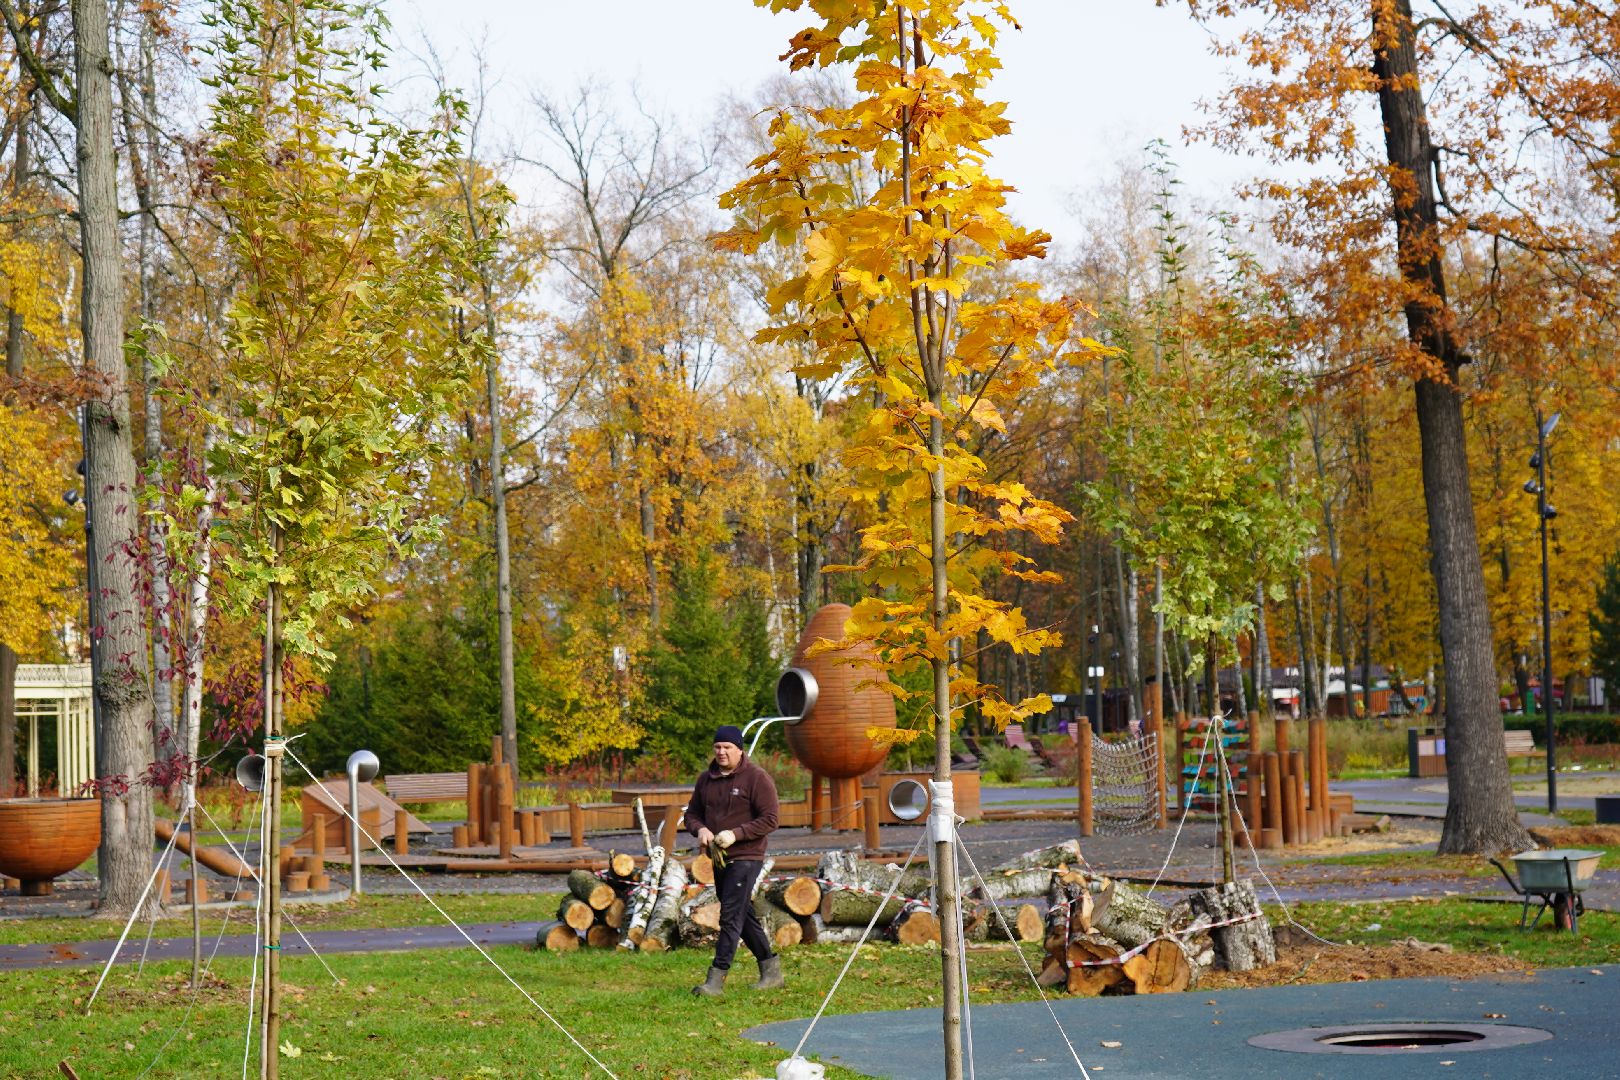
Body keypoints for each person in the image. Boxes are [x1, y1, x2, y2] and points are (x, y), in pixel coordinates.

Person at [684, 724, 782, 997]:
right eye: (718, 747)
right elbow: (691, 814)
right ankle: (771, 971)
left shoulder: (757, 778)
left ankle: (716, 979)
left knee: (729, 916)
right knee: (742, 914)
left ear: (739, 750)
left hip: (747, 856)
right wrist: (700, 829)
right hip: (719, 858)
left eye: (727, 747)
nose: (722, 752)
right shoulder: (706, 779)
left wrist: (735, 834)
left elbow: (771, 819)